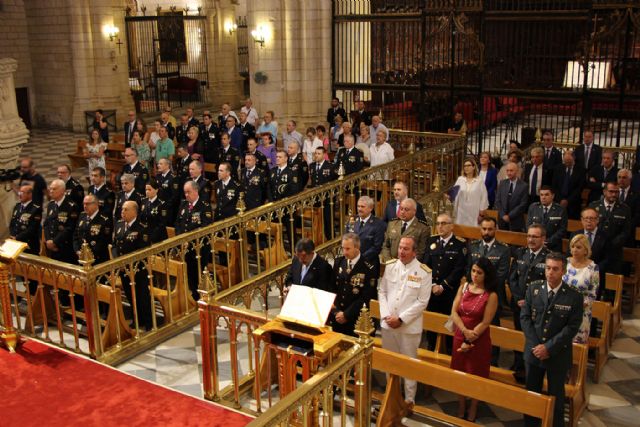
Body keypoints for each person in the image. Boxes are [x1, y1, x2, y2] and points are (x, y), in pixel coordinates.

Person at [521, 253, 583, 427]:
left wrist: (548, 347)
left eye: (555, 269)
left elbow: (572, 327)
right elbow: (525, 318)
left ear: (563, 271)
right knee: (531, 394)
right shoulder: (533, 289)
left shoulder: (574, 296)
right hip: (533, 353)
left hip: (557, 354)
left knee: (556, 396)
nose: (550, 272)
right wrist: (536, 346)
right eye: (548, 268)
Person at [378, 236, 432, 408]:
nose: (401, 251)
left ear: (414, 252)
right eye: (400, 248)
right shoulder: (391, 266)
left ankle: (409, 400)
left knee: (409, 363)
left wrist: (401, 319)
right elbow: (382, 291)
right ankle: (391, 394)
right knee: (390, 362)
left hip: (409, 327)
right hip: (388, 324)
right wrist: (386, 315)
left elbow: (422, 302)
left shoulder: (424, 272)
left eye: (406, 249)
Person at [450, 257, 498, 422]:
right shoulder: (464, 287)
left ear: (486, 275)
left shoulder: (490, 295)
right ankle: (462, 404)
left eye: (479, 272)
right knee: (460, 372)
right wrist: (464, 331)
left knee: (475, 373)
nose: (475, 275)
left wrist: (470, 338)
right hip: (460, 334)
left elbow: (486, 322)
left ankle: (474, 405)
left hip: (479, 340)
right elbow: (454, 312)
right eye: (473, 271)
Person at [508, 224, 549, 381]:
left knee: (533, 337)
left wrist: (530, 301)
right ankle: (518, 365)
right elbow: (512, 278)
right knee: (519, 334)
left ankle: (531, 368)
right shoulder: (520, 253)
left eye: (535, 237)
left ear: (543, 239)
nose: (531, 240)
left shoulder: (548, 257)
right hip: (519, 304)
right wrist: (519, 298)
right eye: (529, 236)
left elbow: (548, 283)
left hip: (537, 307)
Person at [466, 217, 510, 364]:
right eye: (484, 228)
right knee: (472, 326)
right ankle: (472, 356)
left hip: (492, 296)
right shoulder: (473, 246)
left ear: (495, 229)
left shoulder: (503, 249)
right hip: (473, 295)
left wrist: (482, 288)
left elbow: (500, 275)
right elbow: (468, 271)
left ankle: (492, 360)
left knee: (492, 328)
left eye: (490, 229)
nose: (486, 232)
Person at [422, 213, 466, 352]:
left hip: (449, 291)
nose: (440, 226)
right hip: (432, 290)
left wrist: (443, 286)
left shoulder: (460, 244)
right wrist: (433, 285)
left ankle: (448, 350)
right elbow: (425, 265)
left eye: (444, 223)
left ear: (451, 226)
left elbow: (459, 269)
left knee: (449, 323)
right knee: (432, 321)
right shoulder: (431, 241)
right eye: (438, 223)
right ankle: (431, 347)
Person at [113, 200, 153, 331]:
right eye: (122, 209)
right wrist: (117, 261)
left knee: (142, 295)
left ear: (134, 212)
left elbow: (143, 250)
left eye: (126, 209)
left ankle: (148, 322)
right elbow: (115, 245)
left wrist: (128, 264)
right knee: (130, 295)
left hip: (137, 268)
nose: (122, 212)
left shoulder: (142, 227)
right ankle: (137, 319)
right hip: (123, 268)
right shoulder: (119, 225)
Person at [329, 233, 378, 336]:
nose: (344, 252)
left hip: (356, 319)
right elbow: (332, 288)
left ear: (357, 248)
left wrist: (346, 314)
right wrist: (336, 311)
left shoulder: (368, 267)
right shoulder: (339, 262)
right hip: (338, 317)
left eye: (348, 249)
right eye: (343, 248)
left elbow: (367, 296)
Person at [174, 181, 214, 300]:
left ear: (196, 191)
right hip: (186, 247)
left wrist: (189, 240)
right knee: (190, 273)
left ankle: (203, 297)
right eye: (185, 192)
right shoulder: (184, 205)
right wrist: (180, 238)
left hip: (199, 247)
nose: (186, 195)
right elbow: (178, 223)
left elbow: (205, 227)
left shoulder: (204, 206)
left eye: (188, 192)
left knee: (199, 273)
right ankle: (195, 297)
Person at [588, 181, 630, 275]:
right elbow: (588, 226)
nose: (614, 194)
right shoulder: (594, 206)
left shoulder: (624, 209)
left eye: (616, 192)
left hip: (614, 252)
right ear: (604, 192)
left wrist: (612, 244)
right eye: (611, 191)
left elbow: (626, 231)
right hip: (595, 251)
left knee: (611, 285)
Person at [564, 234, 599, 344]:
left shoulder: (593, 268)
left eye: (578, 247)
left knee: (576, 347)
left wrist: (577, 305)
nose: (575, 250)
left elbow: (592, 294)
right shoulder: (565, 262)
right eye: (573, 246)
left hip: (581, 312)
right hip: (562, 308)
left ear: (586, 250)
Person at [44, 179, 80, 265]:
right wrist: (48, 240)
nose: (51, 191)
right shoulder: (51, 205)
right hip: (52, 248)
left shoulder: (71, 206)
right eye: (50, 188)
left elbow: (70, 228)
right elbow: (46, 224)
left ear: (62, 191)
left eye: (54, 189)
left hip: (66, 248)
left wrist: (55, 242)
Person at [349, 195, 386, 272]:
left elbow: (377, 247)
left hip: (368, 264)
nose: (359, 209)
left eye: (362, 207)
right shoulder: (352, 221)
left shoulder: (378, 224)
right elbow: (346, 238)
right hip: (351, 261)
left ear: (371, 208)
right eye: (358, 206)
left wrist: (359, 257)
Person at [73, 194, 112, 264]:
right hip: (81, 258)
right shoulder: (82, 216)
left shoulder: (104, 220)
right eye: (84, 204)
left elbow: (104, 241)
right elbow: (76, 235)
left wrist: (88, 255)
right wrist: (77, 251)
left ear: (96, 204)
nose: (85, 206)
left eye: (87, 204)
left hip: (97, 259)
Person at [527, 186, 567, 252]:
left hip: (554, 247)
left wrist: (547, 241)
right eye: (541, 195)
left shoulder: (560, 210)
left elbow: (562, 230)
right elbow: (529, 226)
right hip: (535, 245)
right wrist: (538, 240)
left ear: (553, 196)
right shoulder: (533, 207)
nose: (543, 197)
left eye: (546, 194)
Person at [451, 158, 488, 226]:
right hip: (461, 212)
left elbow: (484, 197)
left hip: (474, 211)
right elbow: (453, 194)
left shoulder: (479, 181)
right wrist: (449, 196)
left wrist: (481, 214)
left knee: (472, 232)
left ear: (474, 167)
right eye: (465, 166)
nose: (466, 168)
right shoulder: (460, 179)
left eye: (468, 165)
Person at [9, 184, 42, 257]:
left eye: (23, 192)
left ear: (30, 194)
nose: (20, 195)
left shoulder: (35, 209)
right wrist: (12, 236)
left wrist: (17, 238)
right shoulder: (17, 206)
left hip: (29, 245)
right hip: (15, 243)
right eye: (20, 192)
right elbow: (12, 223)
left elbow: (32, 229)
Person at [551, 149, 585, 220]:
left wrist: (568, 200)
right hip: (558, 201)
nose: (567, 164)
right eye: (565, 162)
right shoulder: (558, 169)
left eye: (569, 162)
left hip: (573, 202)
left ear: (574, 158)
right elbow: (554, 186)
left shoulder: (581, 170)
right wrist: (560, 199)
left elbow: (579, 188)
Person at [495, 161, 528, 231]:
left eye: (511, 170)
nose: (509, 173)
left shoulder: (524, 186)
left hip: (516, 220)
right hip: (502, 219)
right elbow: (498, 201)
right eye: (507, 171)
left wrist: (510, 216)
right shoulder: (502, 183)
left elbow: (523, 204)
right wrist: (503, 215)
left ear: (517, 171)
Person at [140, 179, 169, 244]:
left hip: (157, 237)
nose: (147, 192)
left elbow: (162, 223)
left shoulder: (161, 204)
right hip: (145, 235)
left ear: (156, 190)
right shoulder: (144, 201)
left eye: (149, 189)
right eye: (146, 190)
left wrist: (152, 236)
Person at [156, 158, 180, 224]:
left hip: (168, 209)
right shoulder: (158, 176)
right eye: (158, 163)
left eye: (161, 164)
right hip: (158, 207)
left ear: (167, 165)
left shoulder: (173, 178)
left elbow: (175, 196)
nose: (158, 165)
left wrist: (165, 205)